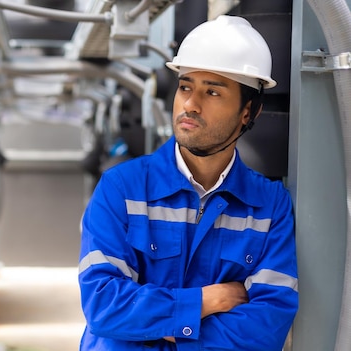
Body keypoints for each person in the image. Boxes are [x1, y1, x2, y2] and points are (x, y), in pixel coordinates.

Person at [78, 15, 298, 350]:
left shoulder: (271, 206)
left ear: (248, 112)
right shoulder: (121, 189)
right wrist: (205, 302)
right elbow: (105, 306)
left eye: (212, 91)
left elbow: (265, 326)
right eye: (185, 87)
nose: (190, 105)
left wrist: (157, 329)